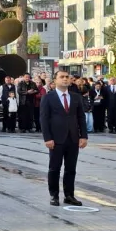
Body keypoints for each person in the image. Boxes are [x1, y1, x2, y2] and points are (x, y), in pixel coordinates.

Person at [40, 69, 88, 207]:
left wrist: (83, 136)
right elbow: (44, 119)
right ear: (55, 80)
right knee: (54, 168)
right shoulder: (48, 97)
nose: (65, 79)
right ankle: (54, 195)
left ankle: (69, 195)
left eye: (67, 77)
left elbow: (81, 118)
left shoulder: (76, 97)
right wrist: (47, 138)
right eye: (62, 77)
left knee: (71, 169)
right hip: (56, 139)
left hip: (73, 138)